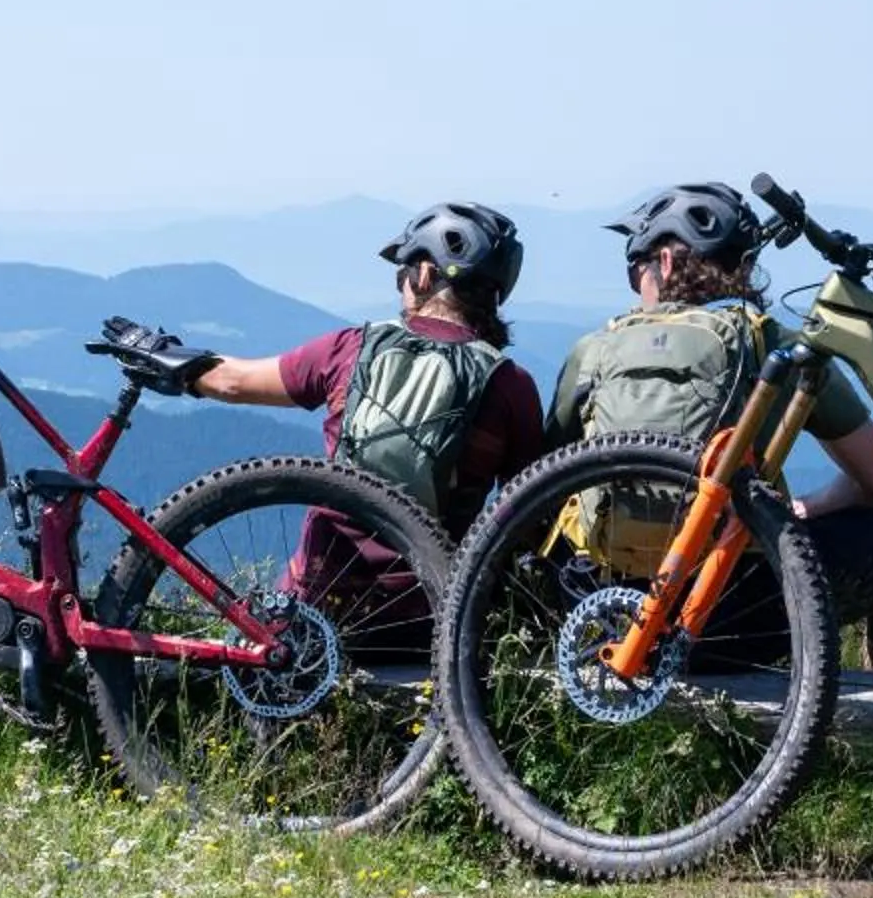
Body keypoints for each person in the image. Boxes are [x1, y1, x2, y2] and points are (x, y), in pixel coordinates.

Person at [101, 202, 545, 650]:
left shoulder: (350, 351)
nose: (401, 285)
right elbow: (528, 516)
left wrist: (159, 353)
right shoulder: (511, 385)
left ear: (426, 274)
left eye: (404, 272)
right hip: (432, 620)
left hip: (318, 612)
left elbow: (232, 382)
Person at [549, 181, 873, 672]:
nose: (635, 284)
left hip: (606, 612)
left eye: (634, 269)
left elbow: (543, 481)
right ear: (746, 269)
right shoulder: (775, 344)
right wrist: (793, 511)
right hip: (736, 617)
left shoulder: (593, 351)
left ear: (664, 262)